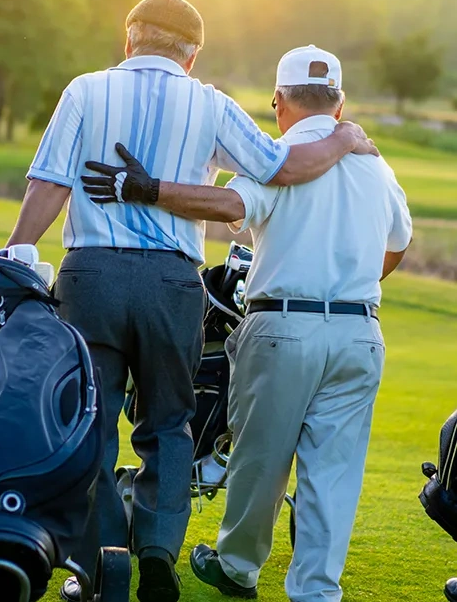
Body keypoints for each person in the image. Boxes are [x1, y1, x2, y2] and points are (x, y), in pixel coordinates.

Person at [6, 0, 378, 601]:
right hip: (173, 284)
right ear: (192, 56)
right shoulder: (211, 103)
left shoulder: (85, 90)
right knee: (169, 425)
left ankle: (100, 568)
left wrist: (16, 251)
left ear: (129, 40)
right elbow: (281, 167)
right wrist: (344, 139)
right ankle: (157, 551)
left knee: (89, 423)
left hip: (91, 278)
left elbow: (49, 182)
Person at [81, 45, 413, 601]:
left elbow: (226, 205)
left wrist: (145, 189)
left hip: (282, 328)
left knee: (260, 460)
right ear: (339, 104)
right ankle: (316, 590)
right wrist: (351, 280)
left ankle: (237, 568)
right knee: (334, 472)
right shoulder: (377, 166)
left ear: (279, 102)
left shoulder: (278, 159)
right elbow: (398, 243)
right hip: (360, 330)